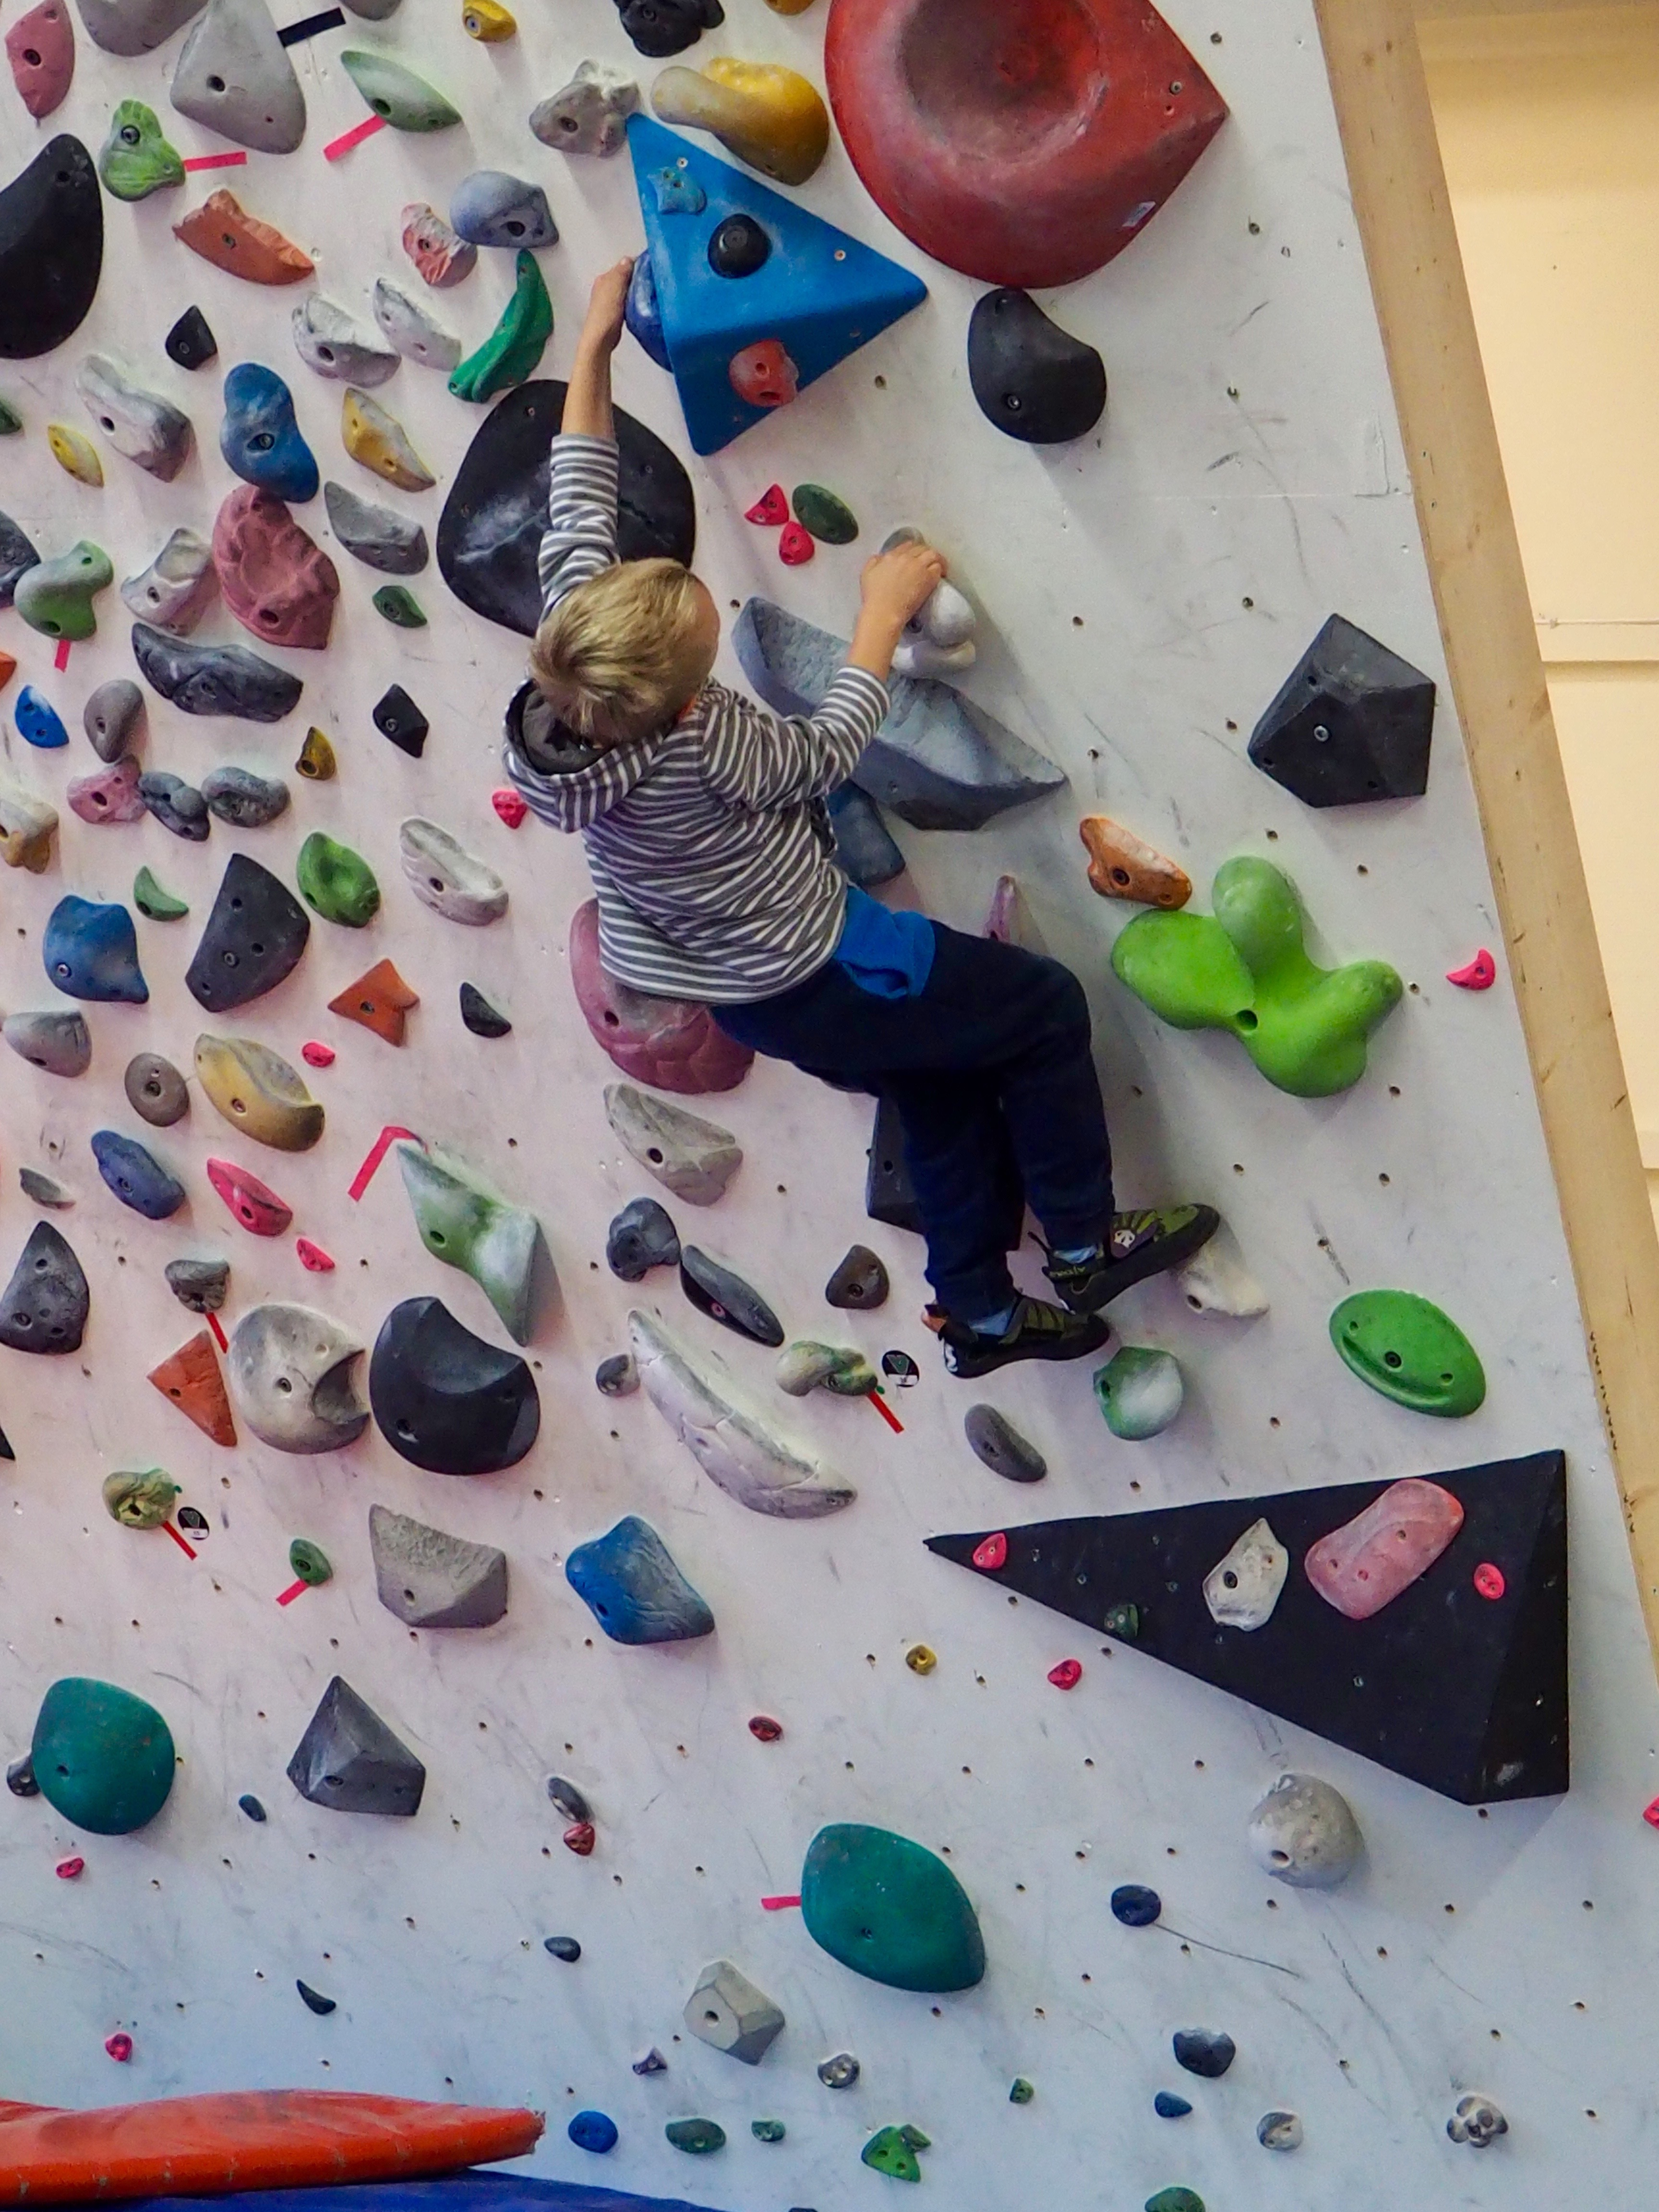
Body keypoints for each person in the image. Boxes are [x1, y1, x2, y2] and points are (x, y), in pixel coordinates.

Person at [504, 259, 1219, 1378]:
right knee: (1039, 1009)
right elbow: (824, 752)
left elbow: (576, 495)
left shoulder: (574, 674)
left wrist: (593, 345)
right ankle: (1083, 1244)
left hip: (753, 1002)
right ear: (687, 697)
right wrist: (877, 619)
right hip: (829, 970)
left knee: (935, 1086)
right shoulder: (700, 741)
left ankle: (982, 1318)